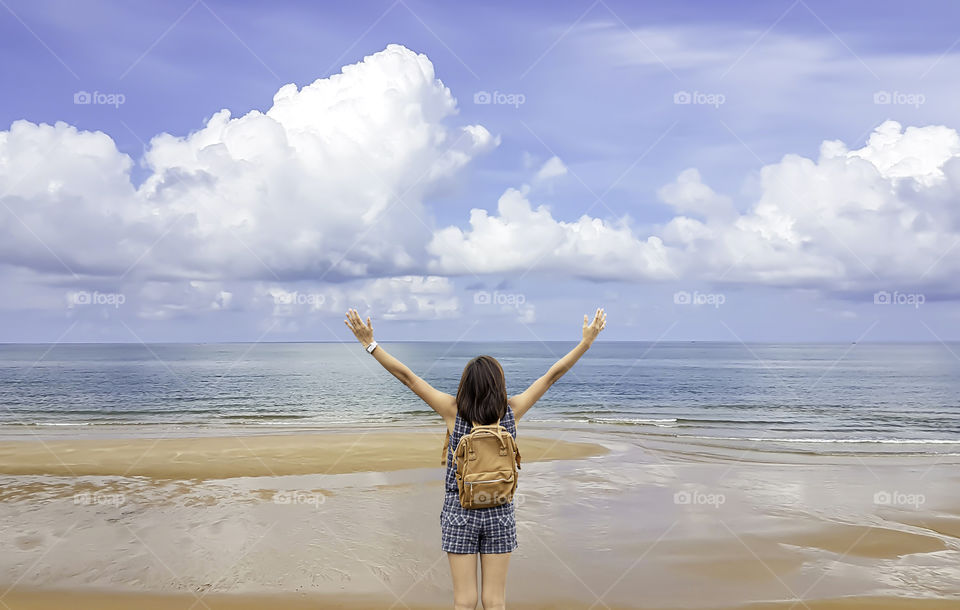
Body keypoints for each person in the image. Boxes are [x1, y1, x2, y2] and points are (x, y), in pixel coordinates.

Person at [344, 307, 607, 610]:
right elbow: (551, 377)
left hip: (460, 511)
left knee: (464, 601)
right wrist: (586, 343)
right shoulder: (512, 411)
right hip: (500, 511)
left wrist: (370, 344)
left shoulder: (452, 412)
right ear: (499, 384)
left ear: (466, 384)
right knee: (495, 602)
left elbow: (408, 378)